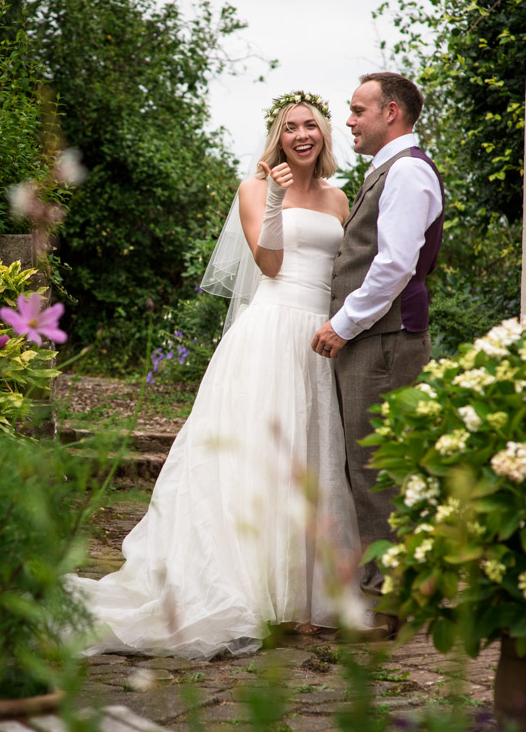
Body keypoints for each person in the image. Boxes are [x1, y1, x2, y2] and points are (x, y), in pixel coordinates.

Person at [68, 92, 366, 659]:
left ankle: (303, 600)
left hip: (318, 338)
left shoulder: (337, 197)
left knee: (308, 459)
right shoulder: (254, 190)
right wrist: (276, 198)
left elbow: (344, 271)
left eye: (311, 126)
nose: (301, 135)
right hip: (272, 330)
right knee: (256, 457)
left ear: (323, 136)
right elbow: (270, 264)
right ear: (277, 138)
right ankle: (254, 591)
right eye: (289, 128)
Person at [311, 73, 445, 637]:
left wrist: (342, 325)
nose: (348, 120)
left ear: (392, 112)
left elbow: (394, 265)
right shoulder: (390, 170)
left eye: (357, 109)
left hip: (386, 341)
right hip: (378, 338)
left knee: (379, 470)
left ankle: (390, 606)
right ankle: (391, 594)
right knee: (370, 467)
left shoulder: (408, 171)